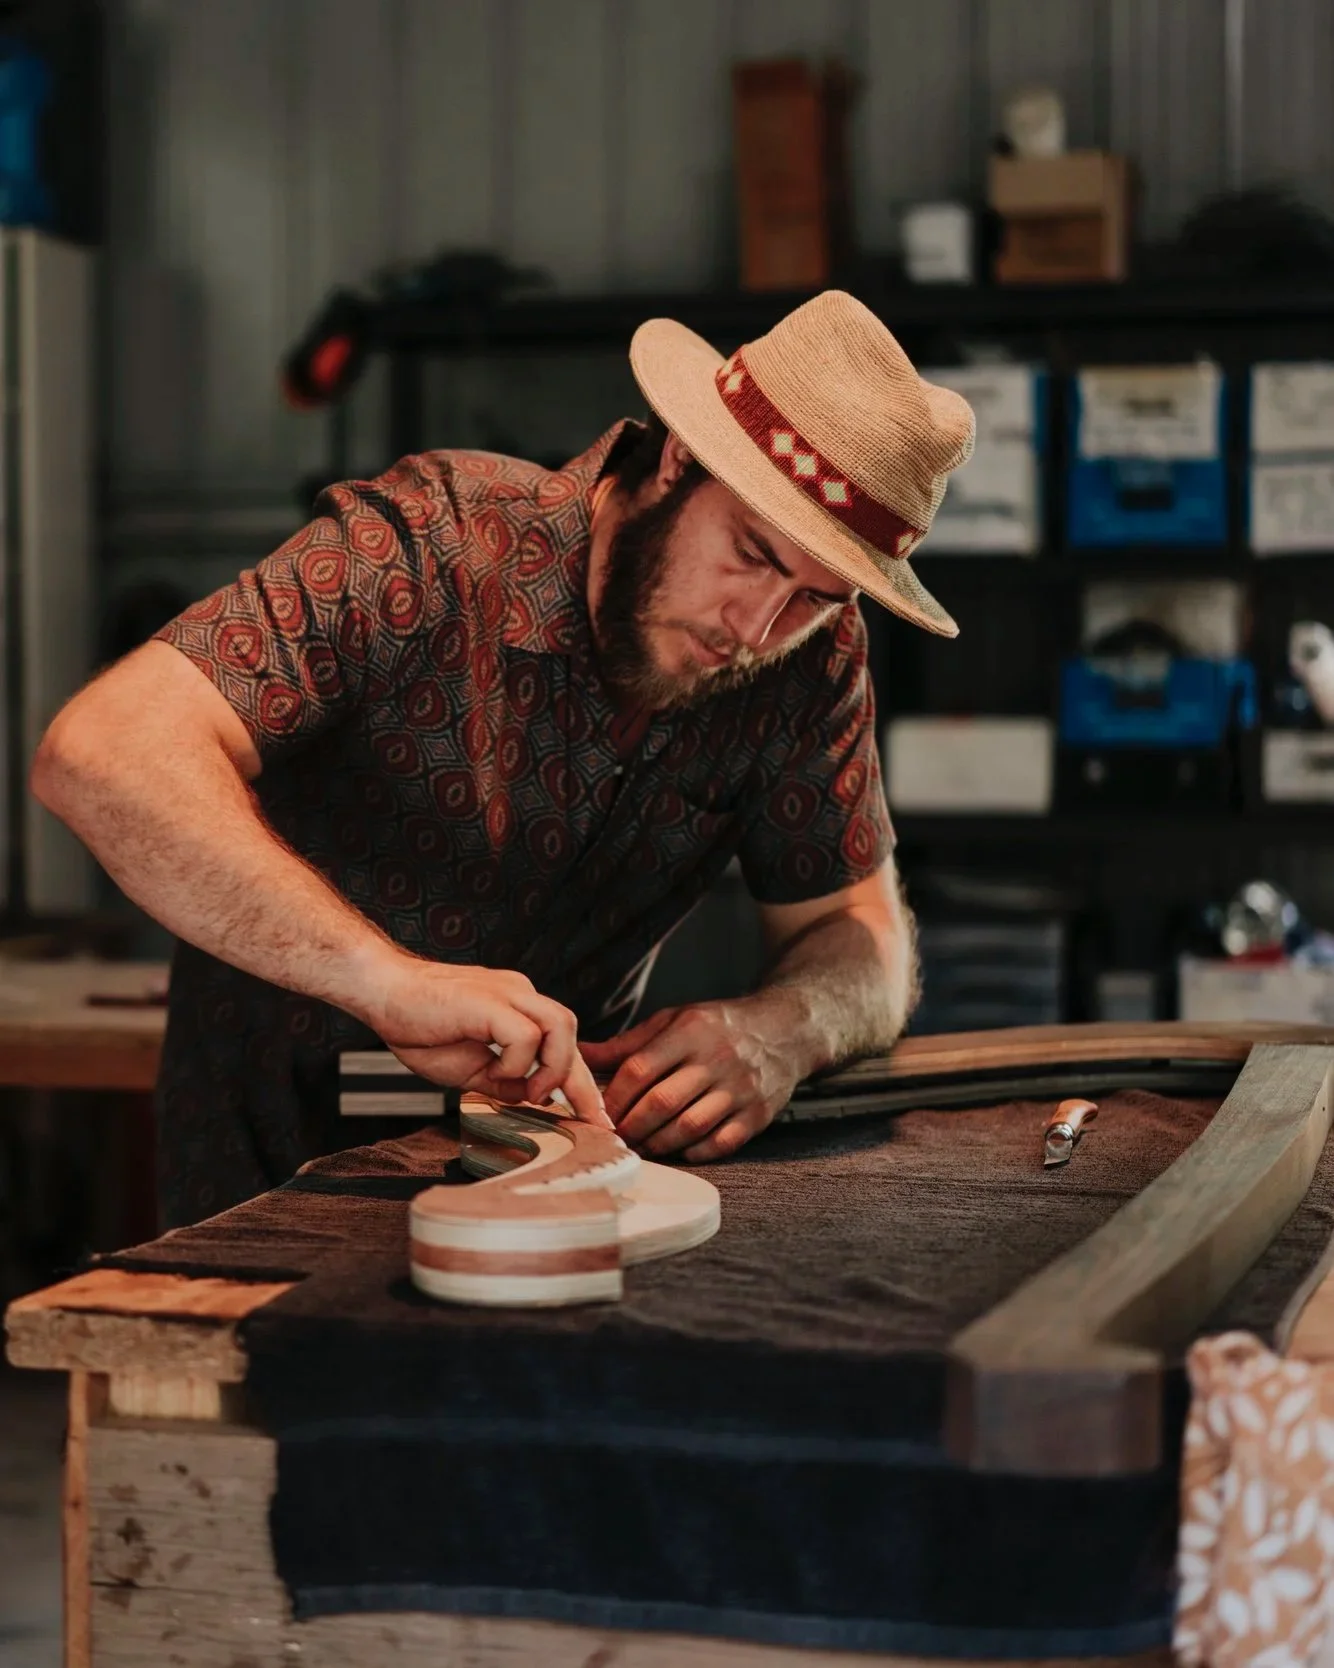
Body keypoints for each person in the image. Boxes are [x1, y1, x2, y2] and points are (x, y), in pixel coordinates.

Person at [32, 290, 974, 1226]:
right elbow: (102, 751)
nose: (756, 627)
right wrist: (383, 979)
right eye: (754, 554)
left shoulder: (808, 659)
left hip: (564, 1182)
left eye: (817, 596)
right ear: (682, 458)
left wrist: (787, 1030)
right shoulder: (425, 547)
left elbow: (863, 933)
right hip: (272, 1166)